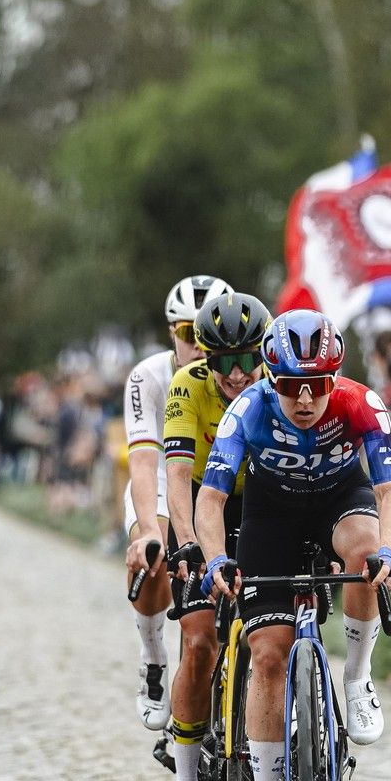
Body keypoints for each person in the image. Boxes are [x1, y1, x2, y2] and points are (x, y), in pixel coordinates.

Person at [196, 311, 391, 781]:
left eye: (317, 385)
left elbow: (390, 492)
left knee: (364, 550)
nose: (306, 399)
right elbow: (212, 500)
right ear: (270, 378)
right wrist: (217, 557)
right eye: (291, 387)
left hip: (340, 499)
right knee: (266, 654)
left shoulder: (362, 404)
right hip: (272, 515)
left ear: (335, 378)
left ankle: (358, 677)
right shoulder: (247, 410)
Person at [160, 290, 270, 781]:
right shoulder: (187, 386)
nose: (237, 374)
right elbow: (178, 476)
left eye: (248, 359)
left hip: (264, 503)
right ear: (204, 359)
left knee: (270, 627)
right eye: (222, 363)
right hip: (209, 502)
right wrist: (188, 546)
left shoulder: (276, 386)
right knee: (200, 641)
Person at [121, 275, 221, 731]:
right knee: (153, 554)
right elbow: (143, 463)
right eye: (188, 334)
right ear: (172, 335)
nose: (199, 346)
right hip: (163, 473)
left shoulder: (240, 371)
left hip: (217, 478)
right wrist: (147, 531)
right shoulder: (148, 376)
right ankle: (155, 656)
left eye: (208, 333)